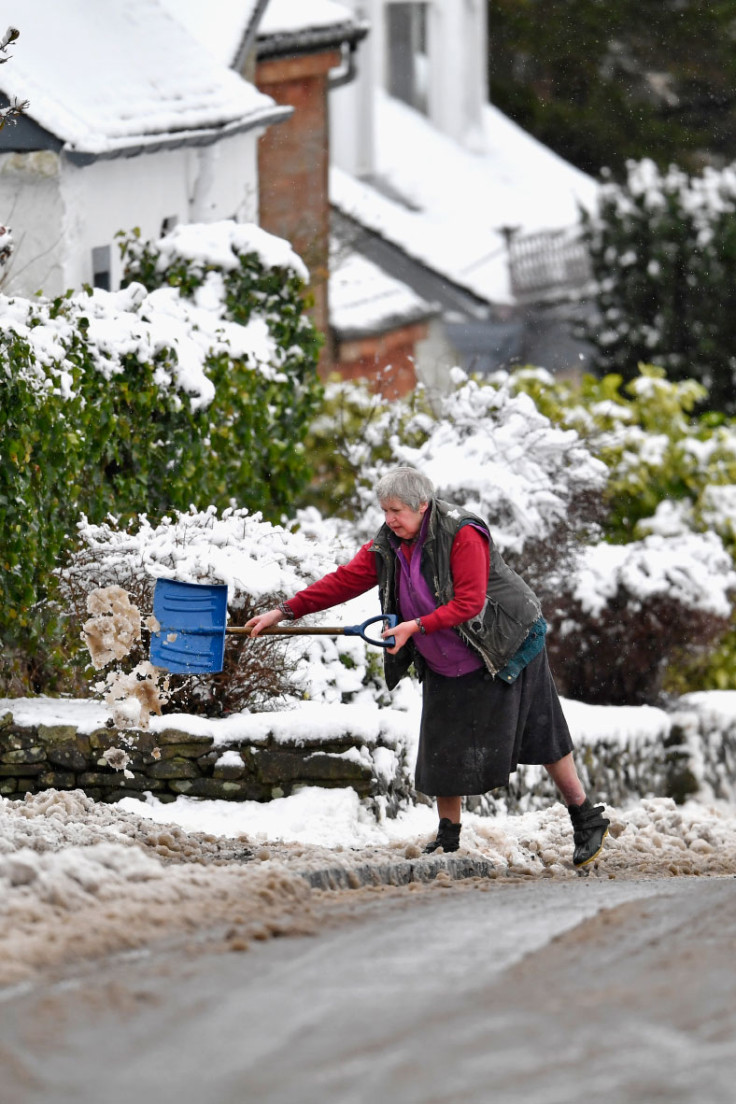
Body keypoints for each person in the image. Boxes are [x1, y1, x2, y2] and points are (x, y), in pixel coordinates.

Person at [245, 467, 609, 867]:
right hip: (445, 655)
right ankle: (447, 838)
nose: (389, 520)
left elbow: (470, 602)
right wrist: (284, 611)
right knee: (442, 745)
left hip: (505, 644)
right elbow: (345, 580)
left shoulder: (462, 533)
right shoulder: (390, 543)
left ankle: (585, 817)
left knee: (543, 735)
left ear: (423, 505)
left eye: (396, 511)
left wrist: (415, 625)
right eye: (384, 511)